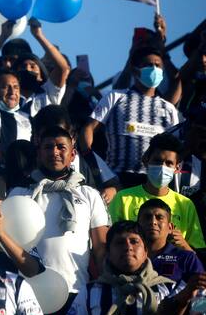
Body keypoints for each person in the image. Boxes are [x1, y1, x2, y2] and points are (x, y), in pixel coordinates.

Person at [7, 125, 110, 315]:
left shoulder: (90, 195)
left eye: (61, 147)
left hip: (75, 295)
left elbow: (100, 248)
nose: (54, 152)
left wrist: (101, 288)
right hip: (30, 294)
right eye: (48, 146)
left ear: (72, 152)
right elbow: (6, 242)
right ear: (38, 151)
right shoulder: (19, 192)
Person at [80, 46, 180, 188]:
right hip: (118, 180)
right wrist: (96, 168)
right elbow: (87, 130)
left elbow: (174, 148)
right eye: (148, 65)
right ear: (134, 70)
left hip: (154, 184)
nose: (154, 69)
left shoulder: (169, 109)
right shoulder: (115, 97)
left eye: (158, 65)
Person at [109, 133, 205, 249]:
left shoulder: (186, 205)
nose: (162, 167)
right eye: (157, 161)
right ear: (146, 160)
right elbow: (110, 243)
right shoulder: (123, 199)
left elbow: (197, 256)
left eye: (169, 163)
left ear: (177, 168)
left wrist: (183, 245)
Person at [138, 198, 204, 286]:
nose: (153, 222)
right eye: (147, 217)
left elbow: (202, 293)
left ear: (170, 227)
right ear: (137, 224)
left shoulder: (186, 258)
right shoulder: (127, 255)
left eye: (159, 218)